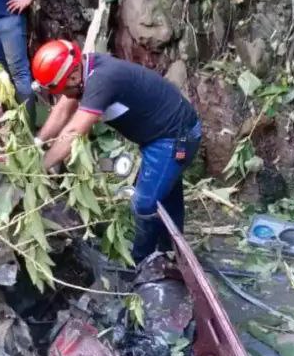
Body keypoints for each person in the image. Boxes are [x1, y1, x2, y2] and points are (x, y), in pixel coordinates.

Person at [32, 40, 201, 264]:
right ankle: (172, 249)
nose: (64, 95)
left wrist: (39, 169)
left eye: (63, 89)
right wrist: (37, 143)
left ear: (72, 77)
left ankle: (143, 260)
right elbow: (62, 111)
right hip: (161, 136)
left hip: (176, 138)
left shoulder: (102, 80)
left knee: (145, 202)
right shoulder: (84, 70)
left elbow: (73, 131)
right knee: (165, 191)